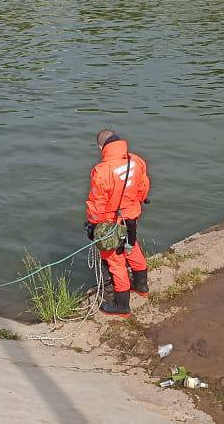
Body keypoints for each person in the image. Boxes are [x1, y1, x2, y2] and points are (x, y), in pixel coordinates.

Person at [84, 128, 151, 317]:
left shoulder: (102, 171)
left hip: (111, 223)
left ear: (100, 146)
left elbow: (97, 204)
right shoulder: (136, 161)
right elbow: (143, 188)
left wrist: (94, 226)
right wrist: (133, 205)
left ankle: (122, 306)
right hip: (132, 217)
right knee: (132, 246)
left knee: (115, 260)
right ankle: (141, 287)